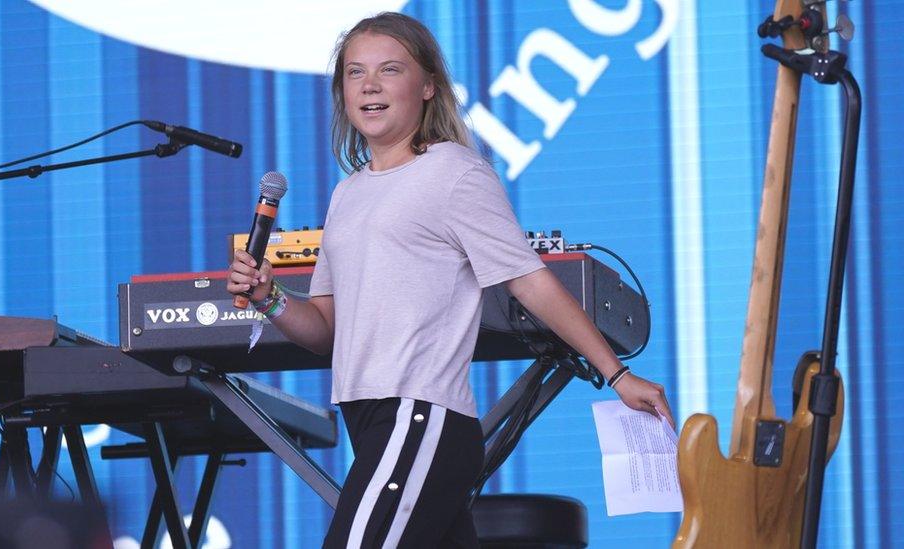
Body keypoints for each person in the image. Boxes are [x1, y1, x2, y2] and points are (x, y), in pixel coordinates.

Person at [228, 12, 674, 548]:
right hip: (368, 417)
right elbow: (324, 327)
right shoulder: (349, 193)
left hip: (419, 415)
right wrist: (268, 296)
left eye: (389, 69)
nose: (369, 85)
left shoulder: (454, 172)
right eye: (355, 72)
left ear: (428, 86)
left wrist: (617, 374)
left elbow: (528, 280)